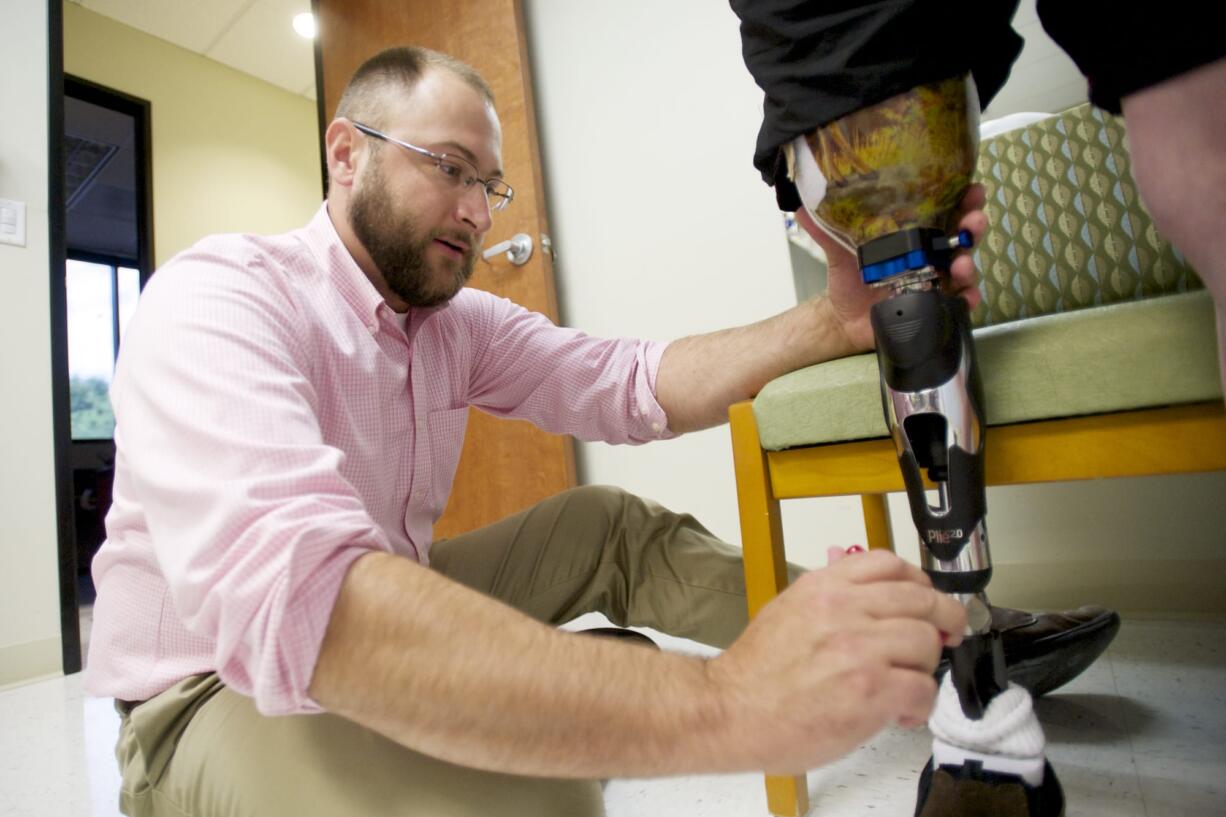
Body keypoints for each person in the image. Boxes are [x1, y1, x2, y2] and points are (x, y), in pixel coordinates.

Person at [85, 46, 978, 817]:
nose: (478, 211)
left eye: (489, 183)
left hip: (382, 593)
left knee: (605, 526)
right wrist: (727, 700)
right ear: (346, 152)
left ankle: (898, 645)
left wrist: (833, 321)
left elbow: (629, 383)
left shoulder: (455, 325)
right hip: (207, 691)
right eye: (449, 167)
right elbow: (307, 602)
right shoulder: (221, 296)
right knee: (545, 797)